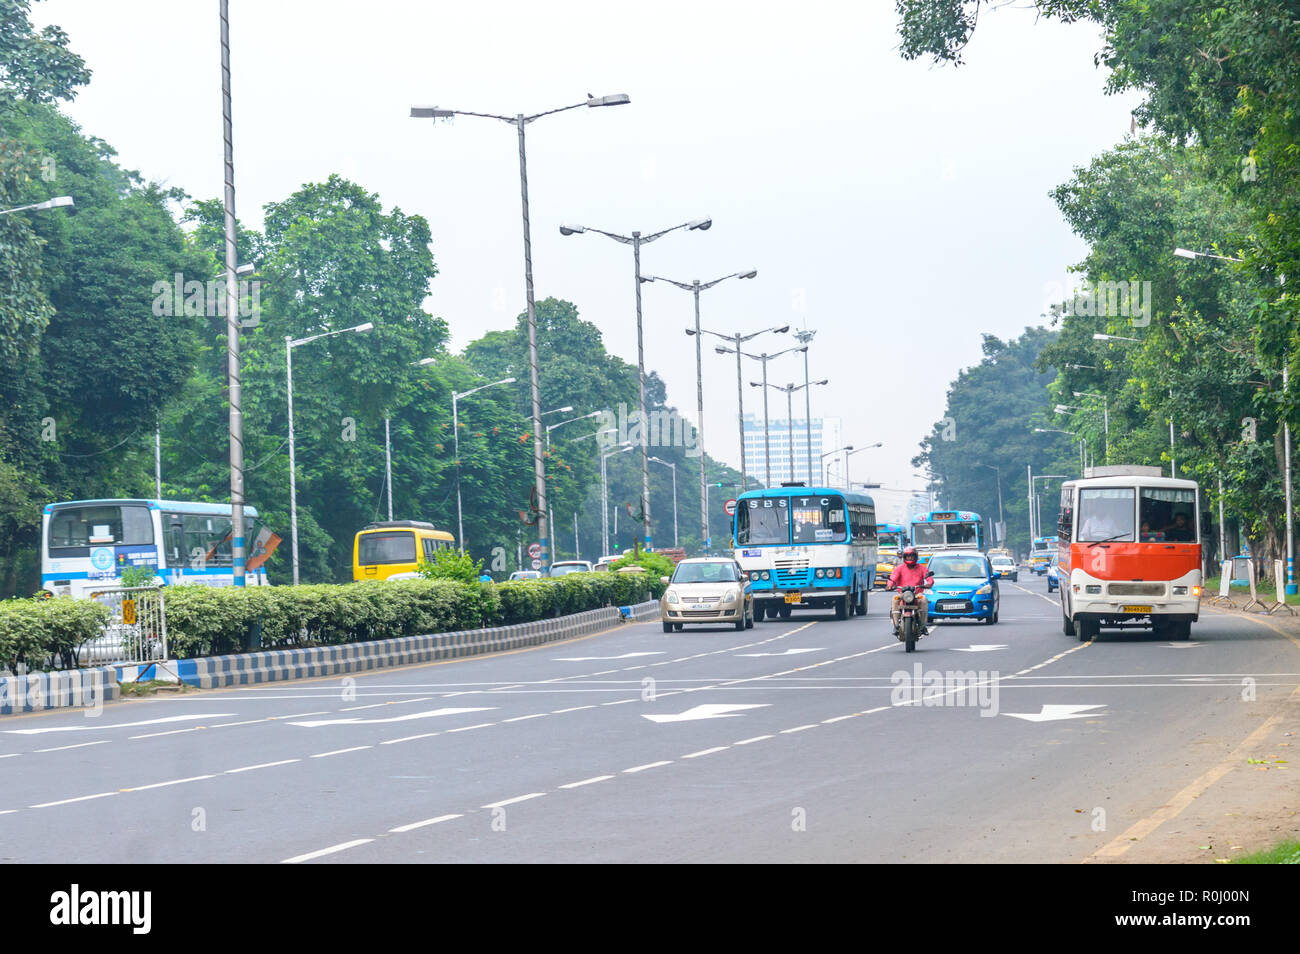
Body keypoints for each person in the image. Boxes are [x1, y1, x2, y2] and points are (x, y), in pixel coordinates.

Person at [886, 545, 934, 635]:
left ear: (915, 556)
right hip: (902, 594)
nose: (910, 558)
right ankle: (896, 626)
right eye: (908, 556)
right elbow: (892, 578)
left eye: (912, 556)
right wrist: (889, 585)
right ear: (904, 557)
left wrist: (928, 584)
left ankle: (923, 626)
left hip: (917, 594)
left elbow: (929, 578)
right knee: (895, 599)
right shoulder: (899, 568)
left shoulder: (922, 568)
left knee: (924, 600)